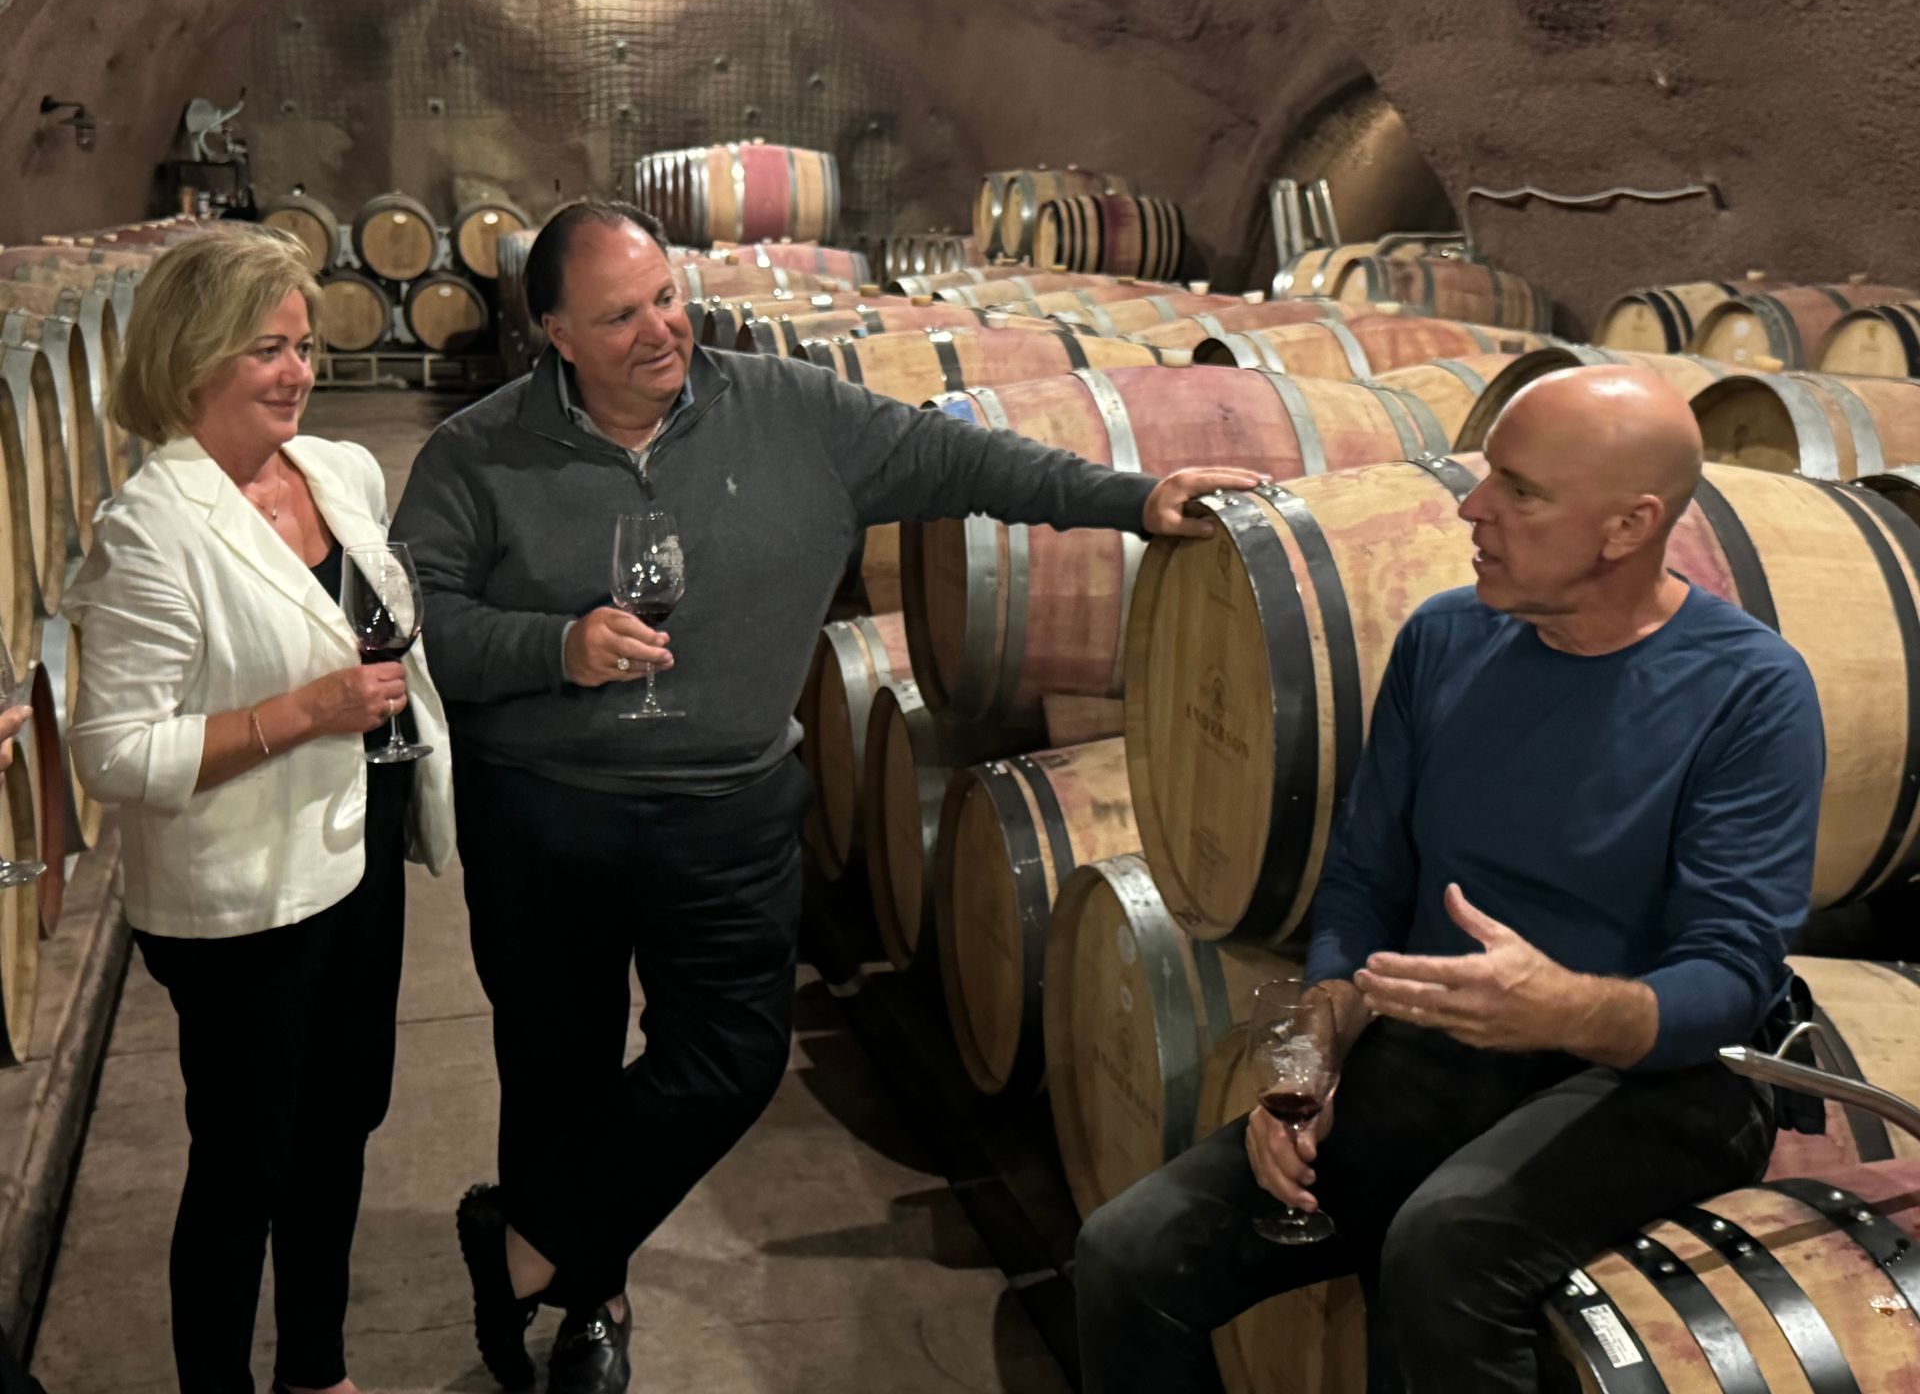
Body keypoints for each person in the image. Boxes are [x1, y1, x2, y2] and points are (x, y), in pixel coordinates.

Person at [391, 198, 1260, 1394]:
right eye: (620, 315)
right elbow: (419, 623)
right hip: (546, 815)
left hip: (728, 812)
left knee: (731, 1060)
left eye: (665, 298)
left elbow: (965, 459)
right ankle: (591, 1297)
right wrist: (555, 647)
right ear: (556, 334)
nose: (660, 329)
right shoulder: (475, 454)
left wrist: (1131, 499)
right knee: (556, 1066)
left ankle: (527, 1245)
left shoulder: (793, 411)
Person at [1073, 366, 1826, 1392]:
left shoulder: (1752, 690)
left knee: (1443, 1248)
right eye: (1485, 477)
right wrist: (1316, 1044)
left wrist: (1563, 1006)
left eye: (1520, 491)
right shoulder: (1444, 638)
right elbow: (1364, 880)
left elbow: (1729, 978)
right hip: (1446, 1045)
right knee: (1129, 1255)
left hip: (1655, 1076)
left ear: (1628, 526)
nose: (1473, 508)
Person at [62, 225, 457, 1394]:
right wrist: (306, 711)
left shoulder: (337, 471)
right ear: (191, 357)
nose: (297, 372)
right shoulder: (153, 529)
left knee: (343, 1124)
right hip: (244, 897)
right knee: (245, 1166)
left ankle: (316, 1368)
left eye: (303, 345)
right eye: (265, 349)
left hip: (360, 853)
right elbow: (112, 751)